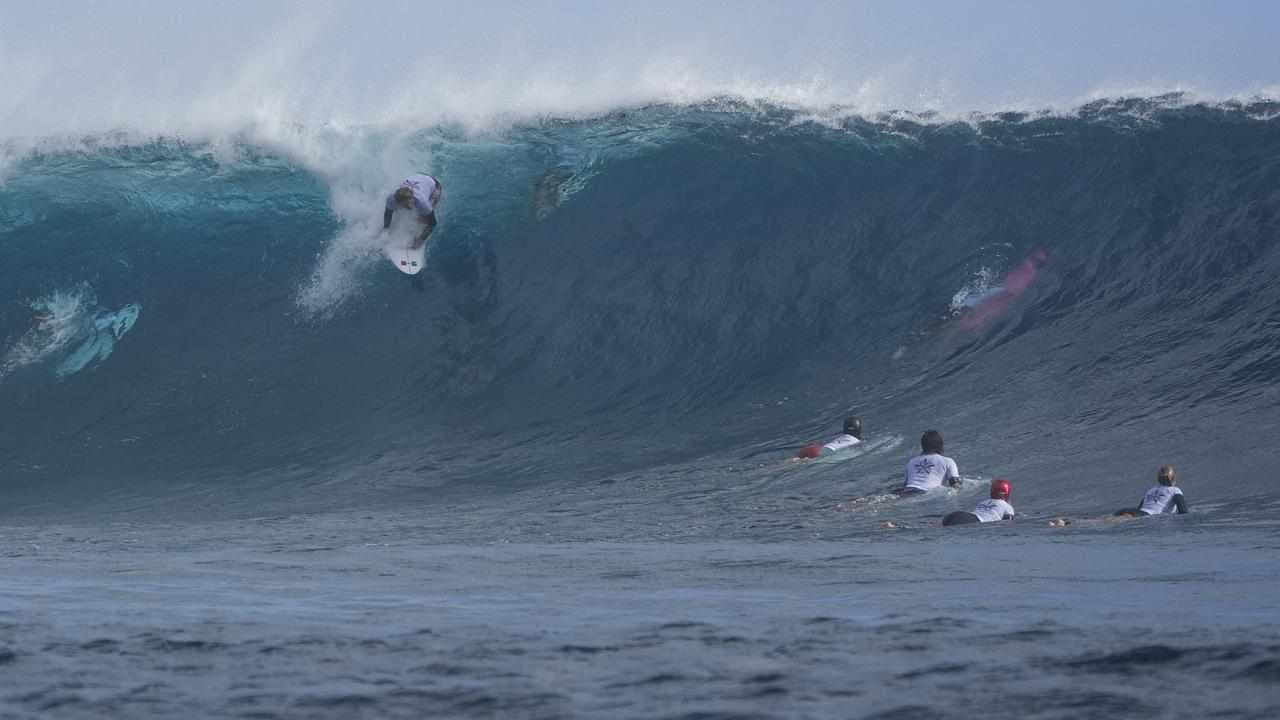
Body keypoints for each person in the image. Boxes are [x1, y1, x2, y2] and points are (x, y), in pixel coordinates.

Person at [383, 174, 444, 249]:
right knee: (394, 209)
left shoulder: (422, 203)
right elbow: (388, 214)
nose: (407, 206)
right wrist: (386, 229)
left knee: (424, 218)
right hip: (418, 177)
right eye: (404, 205)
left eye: (409, 204)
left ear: (412, 199)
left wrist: (420, 241)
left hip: (435, 184)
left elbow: (433, 223)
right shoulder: (391, 199)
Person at [898, 430, 961, 495]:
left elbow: (906, 484)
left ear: (923, 446)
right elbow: (955, 484)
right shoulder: (948, 461)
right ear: (940, 445)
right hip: (924, 493)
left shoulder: (911, 461)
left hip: (907, 490)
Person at [1114, 465, 1188, 517]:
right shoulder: (1175, 490)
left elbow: (1140, 507)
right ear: (1173, 478)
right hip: (1142, 515)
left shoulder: (1151, 490)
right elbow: (1183, 511)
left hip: (1128, 510)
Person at [942, 479, 1015, 526]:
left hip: (957, 515)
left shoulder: (983, 502)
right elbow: (1007, 523)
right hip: (971, 520)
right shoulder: (1007, 506)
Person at [796, 416, 863, 460]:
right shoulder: (856, 441)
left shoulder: (842, 436)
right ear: (859, 429)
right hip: (822, 451)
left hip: (814, 447)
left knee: (793, 461)